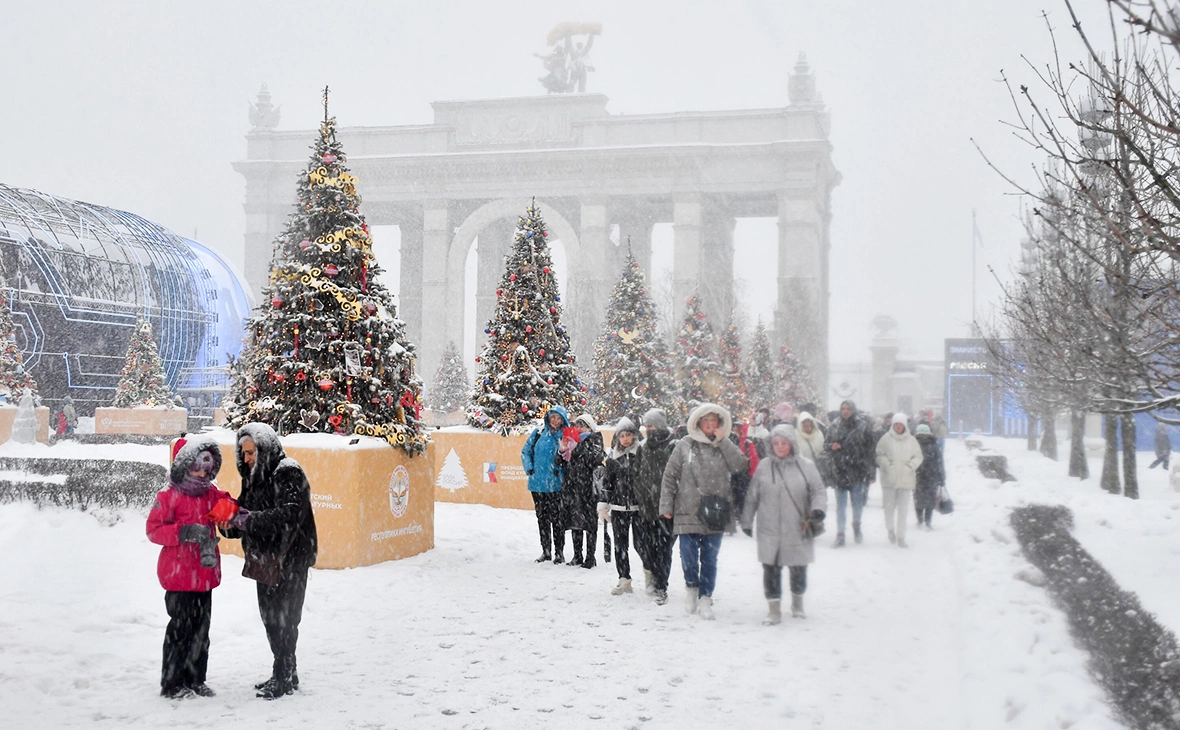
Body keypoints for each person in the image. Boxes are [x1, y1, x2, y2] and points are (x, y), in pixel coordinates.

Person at [220, 423, 318, 699]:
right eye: (243, 453)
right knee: (270, 618)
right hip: (265, 559)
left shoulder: (288, 471)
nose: (246, 459)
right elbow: (245, 510)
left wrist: (248, 520)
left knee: (286, 619)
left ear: (265, 448)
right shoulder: (254, 476)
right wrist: (228, 522)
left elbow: (289, 515)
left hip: (291, 558)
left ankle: (283, 675)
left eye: (251, 453)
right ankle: (287, 670)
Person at [146, 437, 231, 699]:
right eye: (198, 467)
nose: (203, 473)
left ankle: (195, 679)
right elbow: (153, 530)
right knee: (180, 631)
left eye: (207, 468)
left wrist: (234, 516)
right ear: (185, 466)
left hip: (204, 576)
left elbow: (228, 508)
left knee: (201, 632)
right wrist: (183, 532)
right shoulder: (168, 496)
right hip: (179, 576)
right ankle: (172, 684)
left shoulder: (211, 494)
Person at [660, 403, 749, 620]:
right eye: (706, 421)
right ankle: (691, 587)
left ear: (719, 424)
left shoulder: (725, 445)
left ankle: (706, 598)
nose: (710, 426)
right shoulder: (685, 444)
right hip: (687, 508)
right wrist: (666, 506)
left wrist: (724, 441)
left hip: (716, 511)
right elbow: (670, 476)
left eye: (714, 422)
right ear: (698, 423)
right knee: (688, 555)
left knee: (710, 558)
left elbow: (740, 466)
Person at [740, 424, 827, 624]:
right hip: (769, 529)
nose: (780, 447)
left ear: (792, 443)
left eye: (784, 443)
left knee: (798, 569)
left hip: (797, 527)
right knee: (770, 570)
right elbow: (752, 496)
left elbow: (818, 491)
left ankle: (797, 604)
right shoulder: (764, 466)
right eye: (776, 443)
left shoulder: (806, 466)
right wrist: (746, 520)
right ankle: (774, 610)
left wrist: (817, 509)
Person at [634, 408, 677, 604]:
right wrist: (639, 495)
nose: (647, 429)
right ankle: (652, 574)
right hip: (646, 507)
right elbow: (637, 474)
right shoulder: (642, 447)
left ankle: (661, 586)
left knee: (663, 550)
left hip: (667, 508)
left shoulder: (673, 445)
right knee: (644, 547)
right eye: (646, 426)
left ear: (659, 425)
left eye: (650, 426)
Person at [824, 400, 876, 546]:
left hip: (857, 470)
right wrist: (831, 446)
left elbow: (870, 451)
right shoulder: (834, 426)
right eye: (843, 408)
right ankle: (840, 534)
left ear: (853, 410)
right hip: (840, 470)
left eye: (848, 408)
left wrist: (871, 473)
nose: (845, 411)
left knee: (857, 504)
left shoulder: (862, 426)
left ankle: (857, 526)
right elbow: (825, 445)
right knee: (840, 506)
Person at [522, 406, 570, 563]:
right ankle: (546, 551)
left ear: (563, 420)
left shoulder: (567, 435)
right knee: (542, 519)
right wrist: (529, 468)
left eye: (559, 418)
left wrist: (561, 472)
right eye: (553, 417)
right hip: (537, 484)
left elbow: (570, 458)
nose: (555, 421)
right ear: (548, 418)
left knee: (557, 519)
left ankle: (559, 552)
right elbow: (526, 451)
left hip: (556, 485)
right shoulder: (538, 433)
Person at [601, 417, 642, 594]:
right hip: (618, 509)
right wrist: (604, 506)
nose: (625, 439)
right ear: (617, 438)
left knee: (641, 545)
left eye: (628, 435)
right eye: (622, 435)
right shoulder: (612, 459)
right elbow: (606, 484)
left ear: (634, 436)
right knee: (620, 545)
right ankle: (624, 579)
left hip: (639, 508)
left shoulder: (641, 455)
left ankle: (652, 575)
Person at [561, 413, 605, 568]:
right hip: (572, 488)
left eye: (582, 425)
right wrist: (562, 450)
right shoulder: (572, 440)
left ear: (590, 427)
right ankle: (577, 555)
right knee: (575, 523)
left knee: (590, 523)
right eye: (577, 426)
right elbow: (561, 462)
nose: (579, 429)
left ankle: (590, 557)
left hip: (587, 488)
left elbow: (594, 459)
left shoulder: (595, 439)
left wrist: (576, 447)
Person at [875, 412, 923, 547]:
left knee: (903, 511)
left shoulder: (912, 441)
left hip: (906, 480)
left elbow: (918, 456)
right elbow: (879, 454)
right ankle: (890, 529)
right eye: (896, 424)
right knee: (889, 510)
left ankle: (901, 537)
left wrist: (910, 467)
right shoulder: (885, 439)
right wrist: (887, 465)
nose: (898, 427)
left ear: (905, 425)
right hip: (889, 480)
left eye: (901, 424)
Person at [913, 424, 944, 529]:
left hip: (917, 475)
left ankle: (920, 519)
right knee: (930, 499)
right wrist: (942, 477)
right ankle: (928, 521)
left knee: (918, 498)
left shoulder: (913, 444)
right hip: (932, 475)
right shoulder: (934, 445)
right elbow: (939, 461)